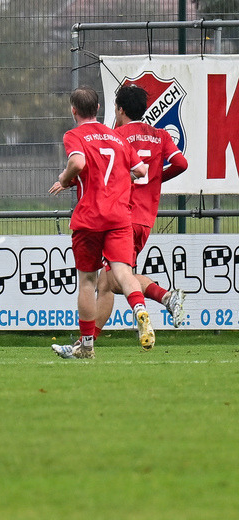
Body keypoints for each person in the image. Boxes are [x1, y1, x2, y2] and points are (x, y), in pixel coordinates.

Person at [52, 84, 189, 358]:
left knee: (101, 282)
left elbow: (85, 165)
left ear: (119, 109)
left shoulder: (115, 136)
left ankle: (164, 297)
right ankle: (85, 343)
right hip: (139, 217)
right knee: (109, 282)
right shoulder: (159, 135)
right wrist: (156, 179)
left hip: (115, 212)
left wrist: (66, 181)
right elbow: (178, 164)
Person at [49, 86, 150, 359]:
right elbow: (141, 170)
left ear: (73, 110)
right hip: (119, 217)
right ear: (97, 109)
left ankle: (87, 347)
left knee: (87, 281)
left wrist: (63, 178)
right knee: (123, 273)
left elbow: (79, 163)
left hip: (90, 218)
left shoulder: (74, 135)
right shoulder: (116, 137)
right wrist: (122, 179)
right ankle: (139, 310)